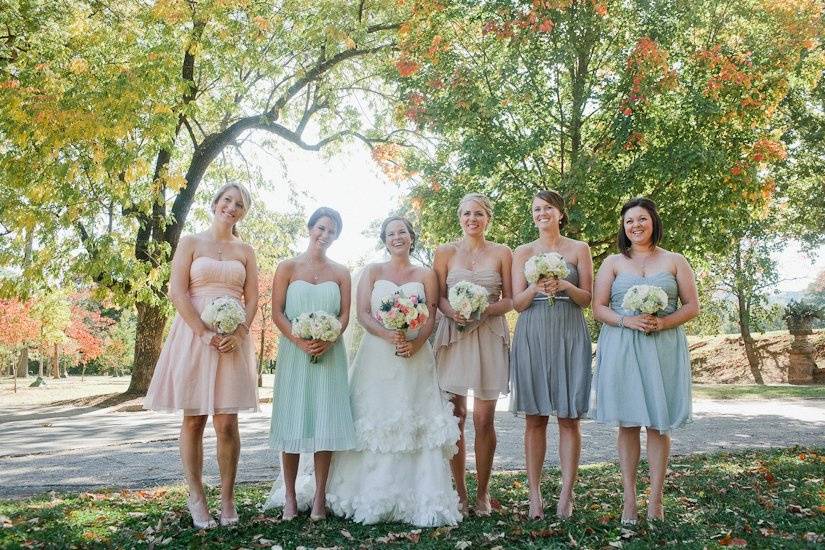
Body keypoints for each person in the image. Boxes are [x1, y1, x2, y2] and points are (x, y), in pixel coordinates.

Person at [325, 216, 462, 526]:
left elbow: (430, 318)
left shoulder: (426, 274)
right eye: (390, 233)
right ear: (384, 240)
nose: (397, 237)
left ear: (411, 237)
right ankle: (367, 494)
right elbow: (361, 313)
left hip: (415, 355)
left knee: (414, 415)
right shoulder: (372, 272)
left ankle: (418, 497)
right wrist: (388, 334)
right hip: (377, 354)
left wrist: (414, 345)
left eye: (402, 232)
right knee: (375, 416)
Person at [144, 183, 259, 529]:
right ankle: (196, 495)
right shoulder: (191, 243)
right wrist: (204, 332)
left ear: (243, 212)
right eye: (227, 200)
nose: (232, 207)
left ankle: (227, 497)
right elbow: (176, 291)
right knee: (194, 419)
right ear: (215, 203)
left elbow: (252, 298)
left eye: (239, 204)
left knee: (227, 422)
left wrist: (238, 333)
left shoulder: (246, 251)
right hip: (195, 336)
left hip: (233, 340)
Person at [592, 197, 699, 524]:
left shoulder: (675, 260)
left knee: (657, 422)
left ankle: (655, 500)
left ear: (653, 222)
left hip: (662, 345)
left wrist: (663, 322)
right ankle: (629, 501)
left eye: (641, 219)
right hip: (623, 343)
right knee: (628, 421)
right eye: (629, 222)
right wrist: (627, 321)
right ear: (623, 228)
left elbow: (692, 306)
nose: (636, 226)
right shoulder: (612, 262)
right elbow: (598, 308)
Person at [264, 207, 355, 521]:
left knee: (325, 423)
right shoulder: (287, 267)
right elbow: (277, 312)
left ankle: (319, 498)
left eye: (331, 231)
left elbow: (344, 315)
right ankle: (289, 497)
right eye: (320, 228)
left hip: (330, 356)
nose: (324, 235)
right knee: (293, 421)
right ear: (310, 228)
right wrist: (300, 341)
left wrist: (329, 339)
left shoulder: (342, 272)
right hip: (294, 353)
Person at [510, 190, 593, 519]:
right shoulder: (523, 251)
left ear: (560, 212)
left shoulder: (579, 249)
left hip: (569, 332)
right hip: (533, 332)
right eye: (536, 209)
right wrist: (536, 288)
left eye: (547, 208)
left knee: (569, 417)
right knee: (535, 418)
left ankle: (566, 495)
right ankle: (534, 496)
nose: (541, 213)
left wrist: (566, 287)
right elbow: (516, 303)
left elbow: (587, 298)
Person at [432, 192, 513, 516]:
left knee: (484, 418)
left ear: (487, 218)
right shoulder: (444, 253)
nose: (472, 219)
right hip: (454, 335)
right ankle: (460, 493)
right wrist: (454, 312)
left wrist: (483, 309)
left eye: (478, 214)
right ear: (459, 217)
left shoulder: (502, 252)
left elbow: (510, 300)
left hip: (489, 334)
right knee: (457, 416)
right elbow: (437, 297)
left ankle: (482, 492)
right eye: (466, 213)